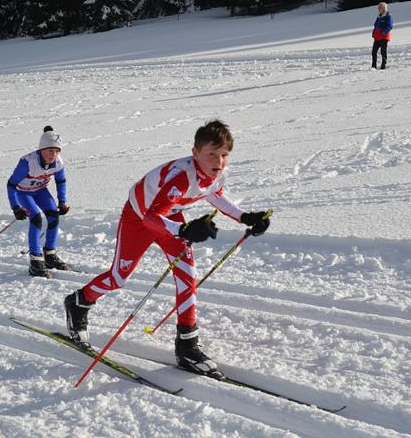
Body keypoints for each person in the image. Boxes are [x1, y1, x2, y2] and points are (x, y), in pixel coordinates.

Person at [63, 120, 270, 376]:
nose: (219, 161)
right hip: (139, 218)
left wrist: (245, 217)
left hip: (169, 218)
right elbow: (151, 217)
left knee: (187, 274)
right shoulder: (181, 178)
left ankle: (187, 345)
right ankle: (79, 301)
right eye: (212, 154)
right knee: (118, 277)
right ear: (195, 153)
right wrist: (183, 230)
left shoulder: (218, 172)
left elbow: (213, 193)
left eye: (224, 154)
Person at [7, 126, 70, 278]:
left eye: (57, 151)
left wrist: (62, 202)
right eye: (50, 150)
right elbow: (11, 185)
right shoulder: (28, 162)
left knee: (53, 216)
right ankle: (35, 261)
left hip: (41, 191)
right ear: (41, 149)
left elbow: (61, 181)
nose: (53, 155)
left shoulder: (58, 163)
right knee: (36, 218)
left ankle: (50, 255)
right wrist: (15, 207)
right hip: (23, 193)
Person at [372, 2, 393, 69]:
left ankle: (383, 65)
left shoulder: (388, 16)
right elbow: (375, 26)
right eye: (378, 7)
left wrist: (383, 32)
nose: (378, 9)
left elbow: (390, 26)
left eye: (379, 7)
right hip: (377, 37)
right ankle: (373, 66)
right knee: (374, 52)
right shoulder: (379, 16)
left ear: (384, 8)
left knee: (383, 52)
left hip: (384, 37)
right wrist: (374, 33)